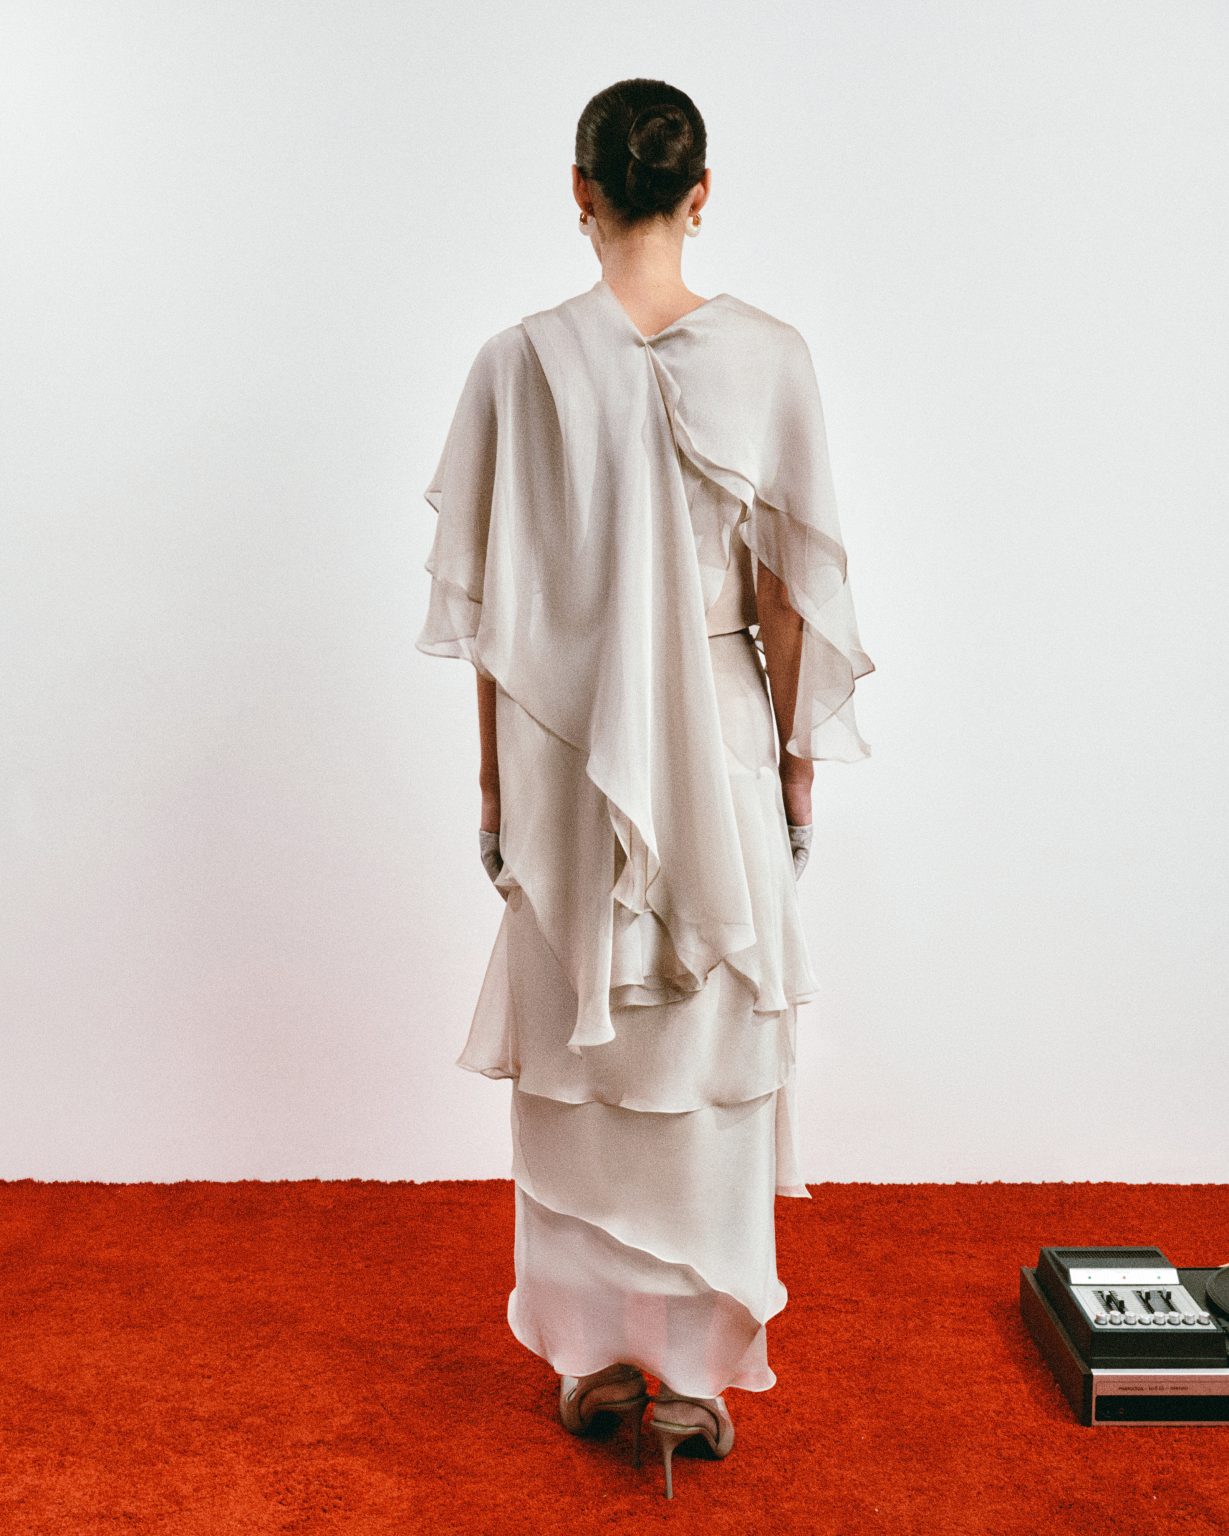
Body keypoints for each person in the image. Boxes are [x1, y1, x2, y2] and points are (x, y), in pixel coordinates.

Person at [416, 77, 874, 1500]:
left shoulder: (516, 363)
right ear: (700, 192)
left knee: (587, 1050)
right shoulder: (774, 359)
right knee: (706, 1041)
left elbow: (494, 618)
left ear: (580, 189)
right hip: (722, 737)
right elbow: (788, 598)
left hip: (567, 755)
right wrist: (792, 770)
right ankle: (687, 1378)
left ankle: (595, 1359)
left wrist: (495, 792)